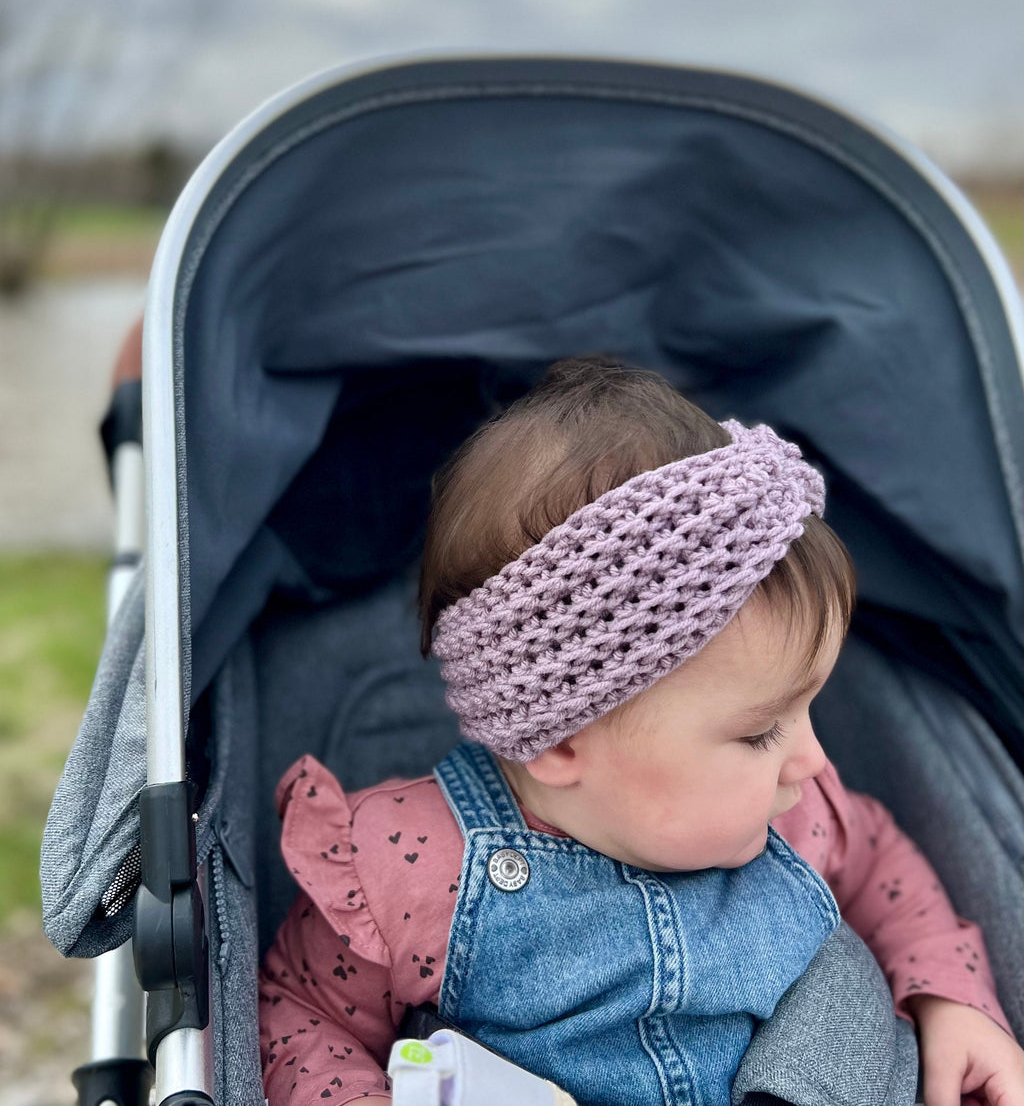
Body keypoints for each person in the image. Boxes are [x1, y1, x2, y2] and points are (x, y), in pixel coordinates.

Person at [259, 357, 1021, 1106]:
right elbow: (302, 1011)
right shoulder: (410, 867)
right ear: (561, 739)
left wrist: (948, 998)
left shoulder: (798, 810)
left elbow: (885, 867)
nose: (813, 759)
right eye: (761, 732)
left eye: (807, 708)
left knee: (843, 983)